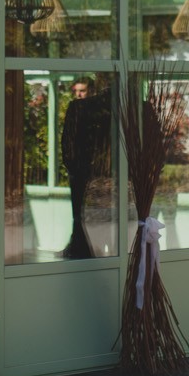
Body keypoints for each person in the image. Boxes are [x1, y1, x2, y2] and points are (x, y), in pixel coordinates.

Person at [59, 77, 111, 259]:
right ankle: (79, 246)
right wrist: (73, 166)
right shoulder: (76, 108)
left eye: (83, 91)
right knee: (79, 213)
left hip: (98, 172)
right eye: (76, 91)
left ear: (92, 91)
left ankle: (84, 247)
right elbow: (68, 140)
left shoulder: (99, 111)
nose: (79, 94)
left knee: (94, 212)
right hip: (80, 171)